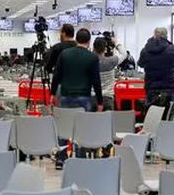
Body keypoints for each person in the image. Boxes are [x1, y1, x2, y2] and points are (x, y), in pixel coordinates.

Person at [51, 28, 104, 164]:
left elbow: (56, 76)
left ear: (76, 39)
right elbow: (96, 81)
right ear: (88, 41)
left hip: (65, 96)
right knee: (82, 129)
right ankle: (80, 158)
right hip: (84, 98)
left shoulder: (64, 54)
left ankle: (61, 158)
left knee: (63, 127)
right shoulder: (92, 57)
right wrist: (99, 101)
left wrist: (52, 93)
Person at [138, 27, 174, 107]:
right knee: (169, 114)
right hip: (168, 86)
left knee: (152, 114)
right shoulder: (172, 49)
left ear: (154, 35)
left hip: (151, 87)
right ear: (166, 36)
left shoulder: (145, 50)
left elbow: (140, 64)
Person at [93, 36, 125, 110]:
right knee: (108, 120)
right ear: (105, 49)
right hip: (108, 97)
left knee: (92, 120)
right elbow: (124, 54)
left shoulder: (89, 61)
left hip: (93, 97)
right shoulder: (111, 61)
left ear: (94, 48)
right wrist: (116, 43)